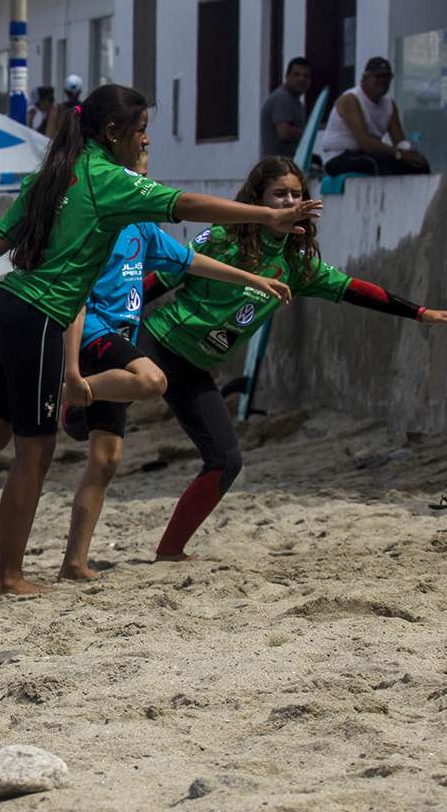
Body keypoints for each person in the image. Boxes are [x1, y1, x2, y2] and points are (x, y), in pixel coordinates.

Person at [0, 83, 321, 595]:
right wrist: (269, 216)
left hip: (2, 306)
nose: (144, 142)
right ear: (111, 133)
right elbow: (187, 204)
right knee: (32, 453)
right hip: (39, 319)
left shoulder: (55, 176)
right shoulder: (108, 179)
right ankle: (7, 576)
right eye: (141, 132)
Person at [139, 156, 447, 561]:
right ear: (258, 200)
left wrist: (419, 312)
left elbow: (353, 288)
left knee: (226, 460)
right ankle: (78, 407)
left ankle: (170, 551)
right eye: (280, 194)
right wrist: (113, 323)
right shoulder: (224, 238)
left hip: (193, 369)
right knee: (95, 423)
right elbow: (162, 279)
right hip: (154, 342)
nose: (290, 200)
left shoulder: (297, 265)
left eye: (296, 193)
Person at [57, 147, 294, 582]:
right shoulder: (95, 219)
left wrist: (252, 279)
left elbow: (187, 261)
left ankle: (74, 562)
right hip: (93, 333)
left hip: (121, 336)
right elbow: (71, 290)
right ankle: (76, 393)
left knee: (106, 459)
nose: (148, 153)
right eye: (141, 145)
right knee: (151, 379)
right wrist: (72, 367)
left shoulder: (142, 224)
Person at [317, 57, 431, 176]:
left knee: (420, 165)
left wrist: (410, 152)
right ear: (365, 78)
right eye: (378, 77)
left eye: (386, 77)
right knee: (378, 164)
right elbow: (365, 142)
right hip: (338, 157)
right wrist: (398, 154)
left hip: (367, 154)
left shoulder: (389, 105)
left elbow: (400, 141)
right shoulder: (351, 99)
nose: (382, 81)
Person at [259, 58, 311, 160]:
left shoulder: (297, 103)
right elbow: (284, 132)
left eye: (306, 76)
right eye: (296, 75)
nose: (301, 79)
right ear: (287, 77)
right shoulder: (282, 98)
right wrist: (308, 133)